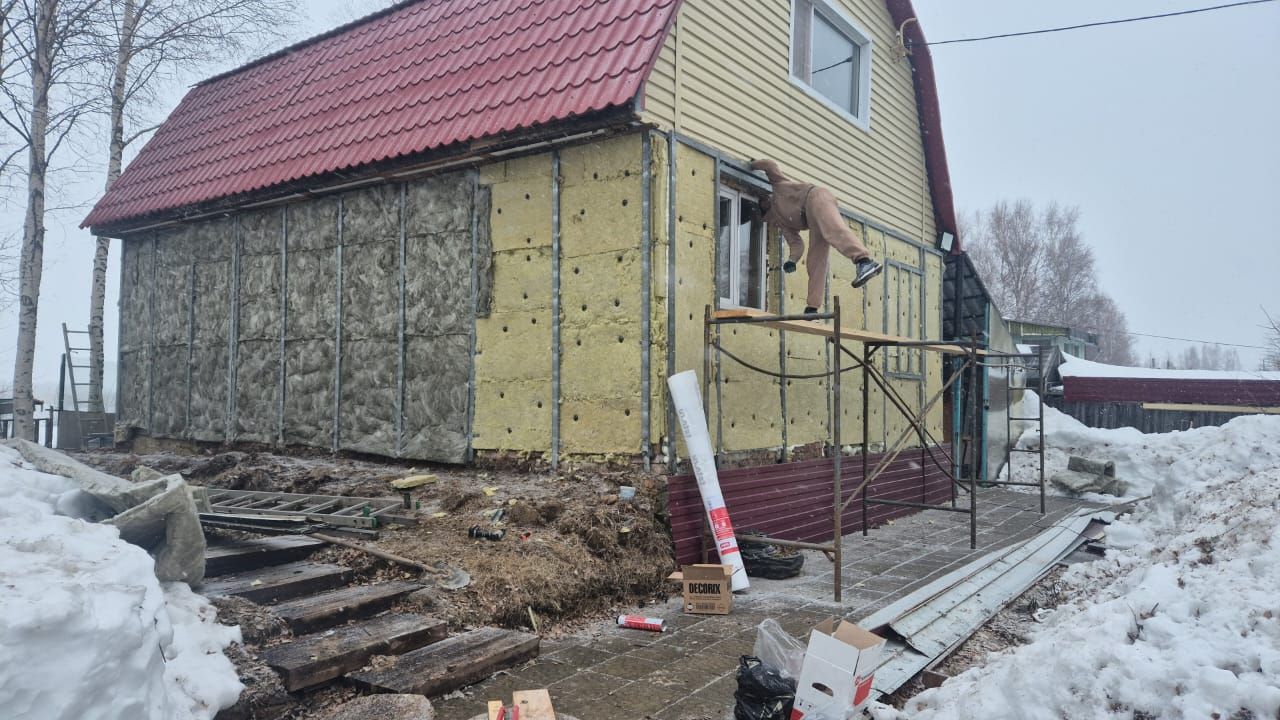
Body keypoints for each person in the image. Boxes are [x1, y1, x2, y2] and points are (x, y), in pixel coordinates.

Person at [750, 159, 882, 314]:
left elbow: (770, 166)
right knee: (816, 260)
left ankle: (864, 261)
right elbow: (796, 244)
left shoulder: (778, 186)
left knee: (833, 230)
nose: (764, 203)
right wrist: (792, 260)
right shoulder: (782, 223)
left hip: (815, 197)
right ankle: (812, 307)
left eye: (764, 201)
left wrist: (752, 165)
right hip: (812, 219)